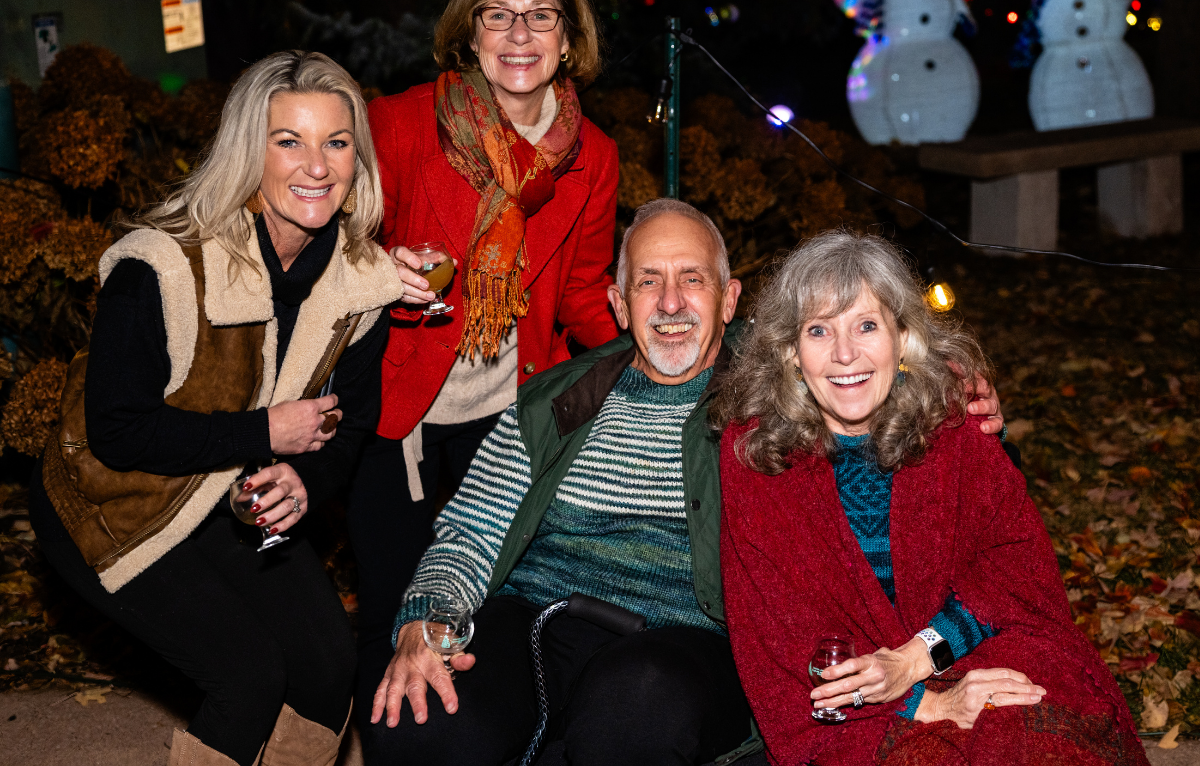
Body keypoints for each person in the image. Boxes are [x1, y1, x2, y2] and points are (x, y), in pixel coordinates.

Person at [363, 200, 1007, 766]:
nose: (671, 304)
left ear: (729, 299)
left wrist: (952, 384)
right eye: (648, 283)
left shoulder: (779, 395)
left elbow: (865, 364)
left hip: (689, 641)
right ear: (618, 304)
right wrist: (426, 621)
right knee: (420, 721)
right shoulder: (552, 402)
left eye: (691, 280)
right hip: (537, 622)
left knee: (632, 707)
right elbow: (470, 532)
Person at [29, 51, 403, 766]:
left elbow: (349, 424)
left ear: (359, 157)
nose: (316, 165)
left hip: (222, 495)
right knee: (248, 676)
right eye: (287, 140)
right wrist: (266, 432)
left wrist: (304, 481)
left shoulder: (361, 285)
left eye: (337, 141)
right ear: (247, 153)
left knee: (327, 665)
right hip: (111, 501)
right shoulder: (160, 267)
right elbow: (117, 432)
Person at [714, 231, 1148, 766]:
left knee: (1037, 731)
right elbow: (780, 637)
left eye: (867, 326)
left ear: (903, 338)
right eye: (819, 330)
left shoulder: (951, 422)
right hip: (853, 705)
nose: (845, 353)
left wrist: (918, 659)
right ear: (790, 353)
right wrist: (925, 702)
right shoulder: (758, 456)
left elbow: (1015, 568)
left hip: (969, 648)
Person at [350, 0, 620, 706]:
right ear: (471, 34)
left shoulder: (592, 156)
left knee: (495, 604)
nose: (519, 35)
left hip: (510, 413)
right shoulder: (399, 124)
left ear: (568, 39)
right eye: (498, 15)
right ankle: (396, 745)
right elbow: (337, 249)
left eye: (540, 16)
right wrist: (380, 270)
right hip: (397, 403)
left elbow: (583, 298)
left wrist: (668, 366)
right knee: (393, 601)